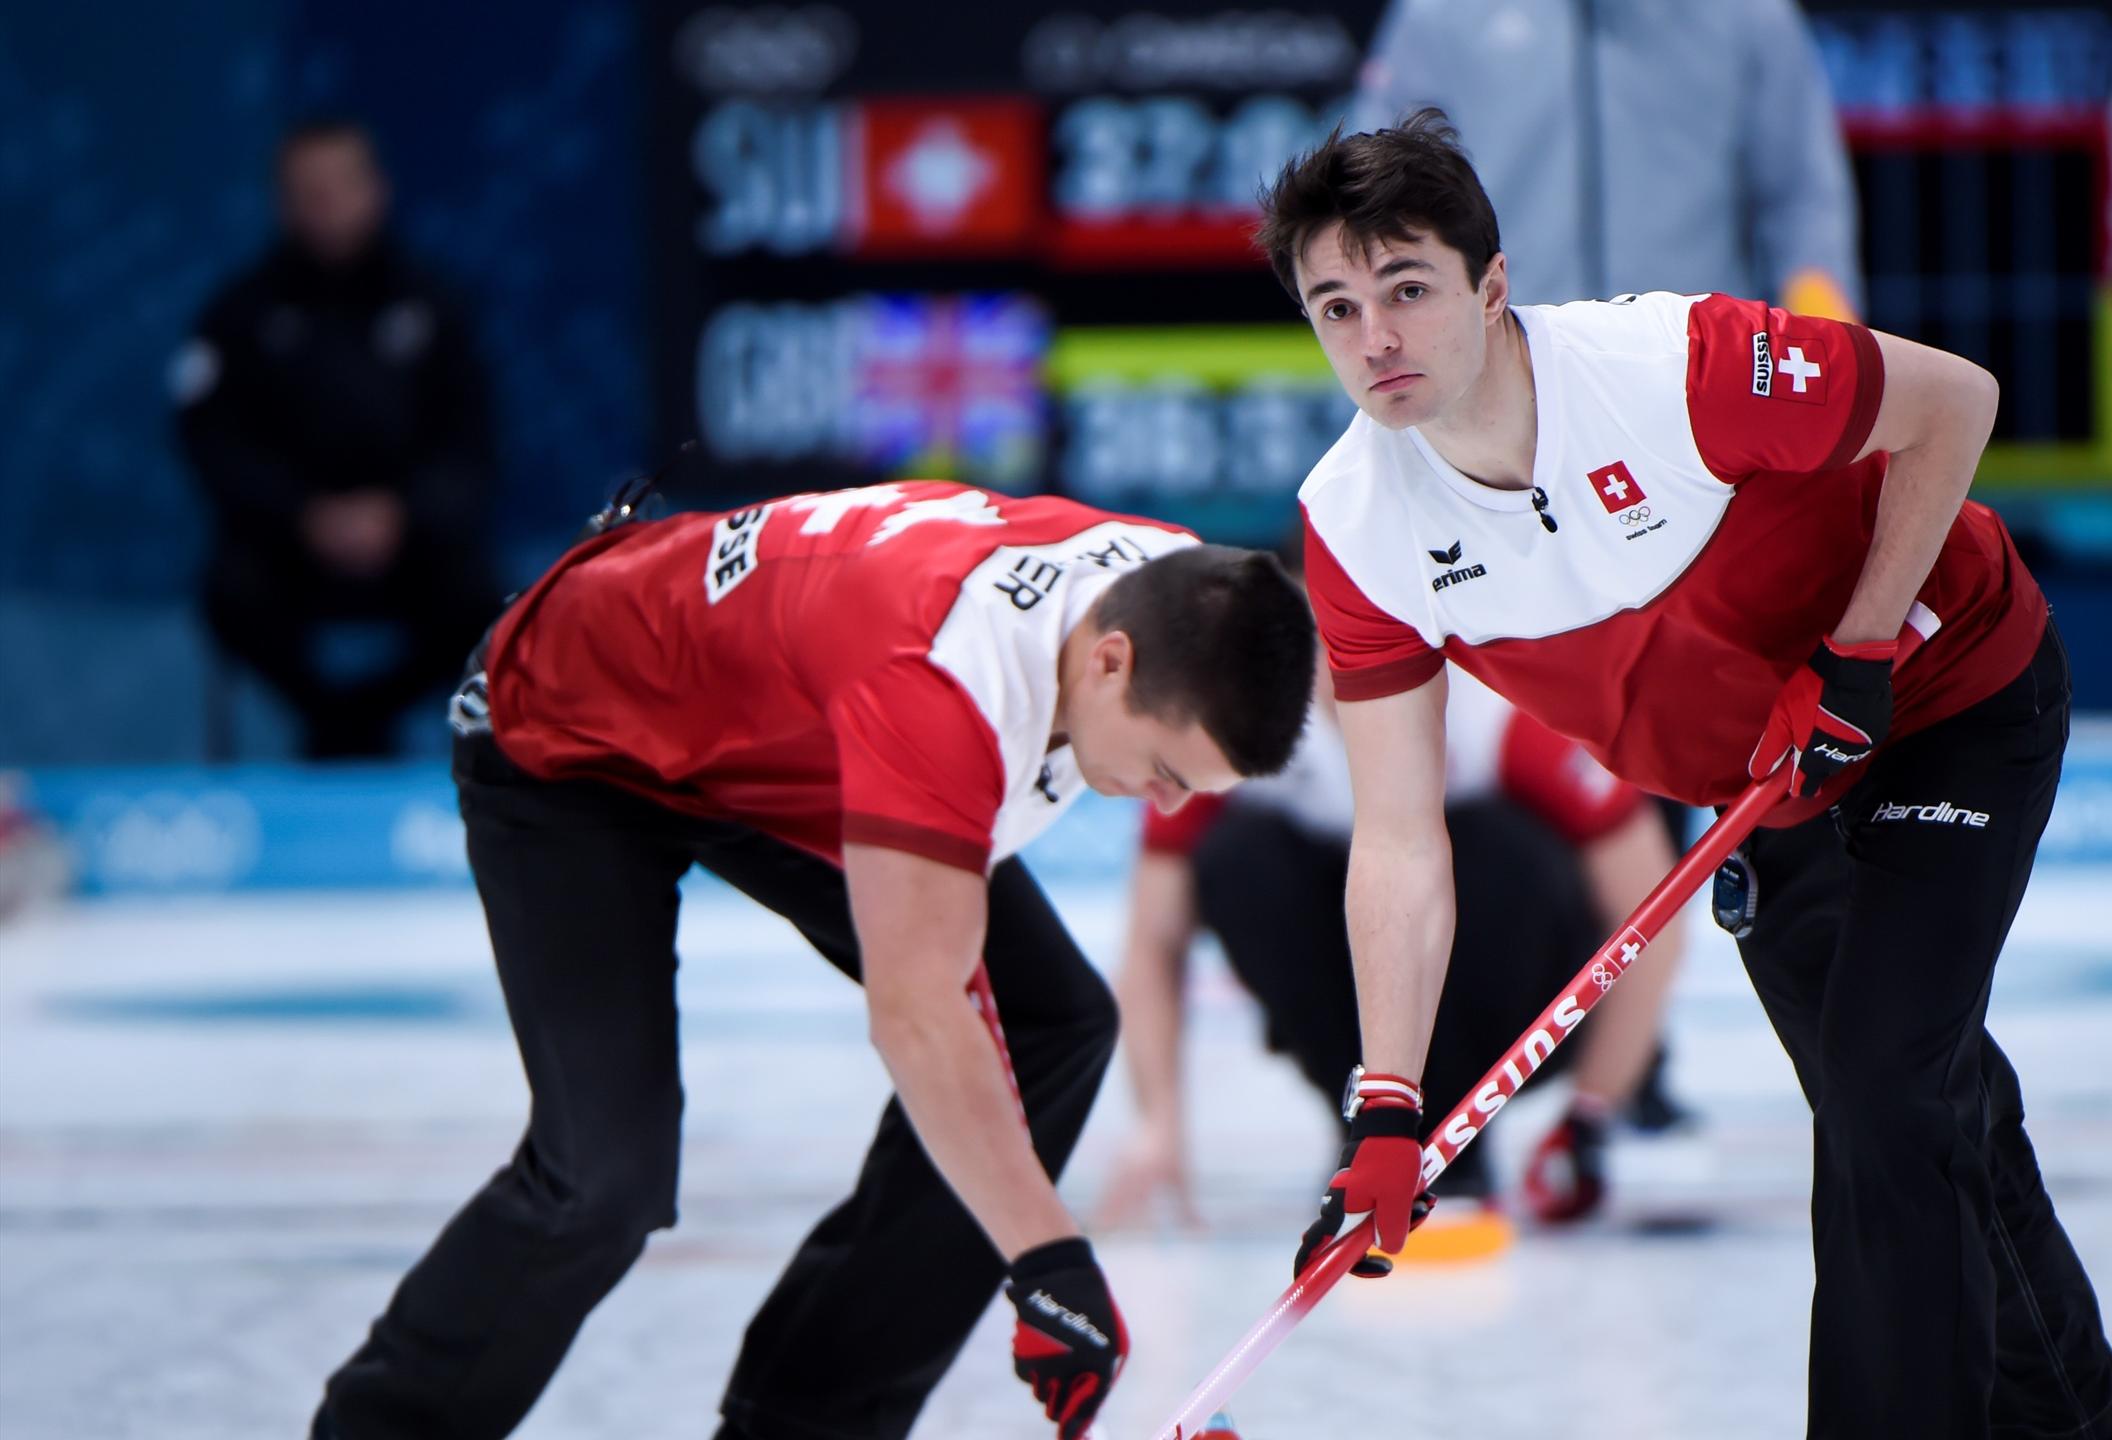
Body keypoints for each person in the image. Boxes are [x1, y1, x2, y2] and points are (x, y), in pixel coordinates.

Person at [1259, 113, 2112, 1439]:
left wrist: (1859, 650)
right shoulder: (1355, 531)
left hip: (1947, 694)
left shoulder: (1676, 367)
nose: (1375, 338)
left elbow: (1955, 404)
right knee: (1915, 1107)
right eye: (1335, 306)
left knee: (1882, 1083)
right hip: (1769, 788)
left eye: (1407, 289)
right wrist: (1390, 1105)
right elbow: (1399, 843)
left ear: (1492, 285)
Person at [308, 479, 1317, 1440]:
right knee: (602, 1183)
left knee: (1057, 1020)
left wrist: (1392, 1081)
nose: (1169, 805)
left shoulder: (1184, 592)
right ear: (1110, 663)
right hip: (571, 738)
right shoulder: (943, 679)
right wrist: (1045, 1259)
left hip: (781, 740)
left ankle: (801, 1427)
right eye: (1168, 771)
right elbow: (919, 1013)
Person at [1097, 662, 1698, 1254]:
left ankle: (1456, 1129)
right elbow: (1154, 936)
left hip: (1507, 975)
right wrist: (1157, 1125)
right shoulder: (1242, 722)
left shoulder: (1501, 713)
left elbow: (1650, 916)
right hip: (1342, 990)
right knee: (1241, 858)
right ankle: (1364, 1121)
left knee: (1497, 851)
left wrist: (1588, 1117)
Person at [174, 118, 501, 758]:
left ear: (374, 190)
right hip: (288, 542)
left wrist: (402, 513)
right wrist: (301, 513)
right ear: (281, 201)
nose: (323, 205)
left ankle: (368, 717)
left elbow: (475, 441)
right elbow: (211, 442)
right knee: (228, 592)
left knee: (485, 602)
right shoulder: (241, 312)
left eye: (337, 186)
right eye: (306, 190)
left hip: (411, 541)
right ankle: (329, 718)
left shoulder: (436, 305)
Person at [1356, 0, 1861, 317]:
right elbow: (1385, 198)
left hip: (1696, 377)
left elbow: (1801, 199)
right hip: (1509, 368)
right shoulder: (1439, 15)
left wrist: (1827, 342)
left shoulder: (1748, 14)